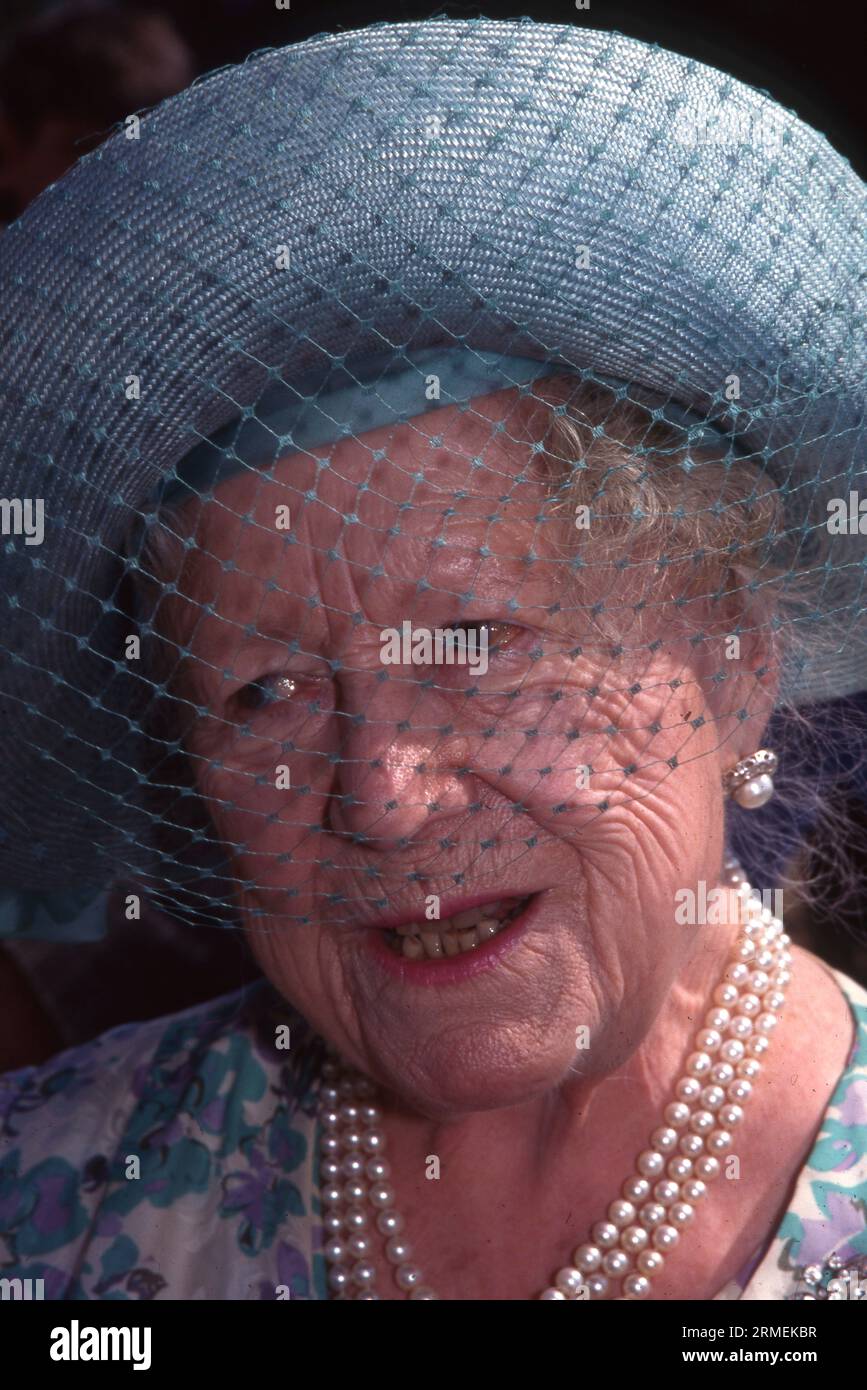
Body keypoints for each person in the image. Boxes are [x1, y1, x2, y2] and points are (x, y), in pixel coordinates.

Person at [0, 17, 865, 1302]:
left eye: (472, 643)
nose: (380, 795)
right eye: (263, 692)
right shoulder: (47, 1203)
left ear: (730, 666)